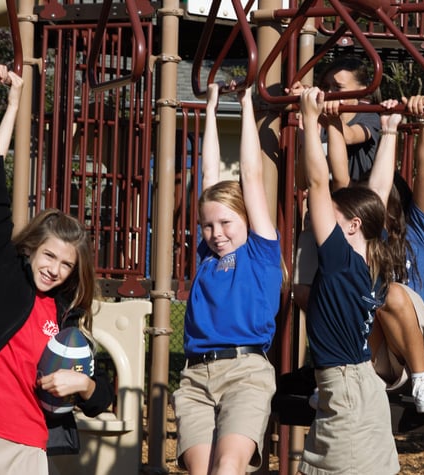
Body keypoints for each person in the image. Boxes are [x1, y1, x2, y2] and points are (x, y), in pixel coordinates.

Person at [0, 64, 113, 473]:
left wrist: (83, 385)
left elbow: (101, 395)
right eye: (50, 256)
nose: (55, 270)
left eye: (67, 265)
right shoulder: (0, 264)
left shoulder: (66, 310)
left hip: (28, 444)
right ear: (32, 248)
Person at [171, 83, 282, 474]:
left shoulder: (260, 251)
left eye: (226, 223)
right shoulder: (206, 255)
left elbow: (251, 176)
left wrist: (246, 102)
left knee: (227, 468)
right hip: (196, 375)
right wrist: (212, 109)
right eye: (207, 226)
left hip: (244, 372)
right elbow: (209, 174)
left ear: (247, 221)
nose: (216, 233)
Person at [298, 86, 399, 474]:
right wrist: (388, 132)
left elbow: (318, 185)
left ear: (353, 226)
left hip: (346, 388)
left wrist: (310, 123)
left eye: (335, 216)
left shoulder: (340, 260)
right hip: (359, 382)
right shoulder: (372, 256)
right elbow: (378, 192)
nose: (323, 217)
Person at [368, 96, 424, 414]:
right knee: (358, 291)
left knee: (391, 292)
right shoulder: (364, 238)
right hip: (383, 357)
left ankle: (423, 380)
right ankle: (350, 376)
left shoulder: (416, 231)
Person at [290, 56, 382, 312]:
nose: (329, 92)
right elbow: (301, 180)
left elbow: (350, 138)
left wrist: (324, 119)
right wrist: (305, 130)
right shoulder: (318, 123)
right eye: (326, 86)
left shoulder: (369, 117)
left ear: (360, 94)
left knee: (352, 292)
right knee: (302, 290)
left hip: (355, 217)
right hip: (320, 213)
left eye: (338, 88)